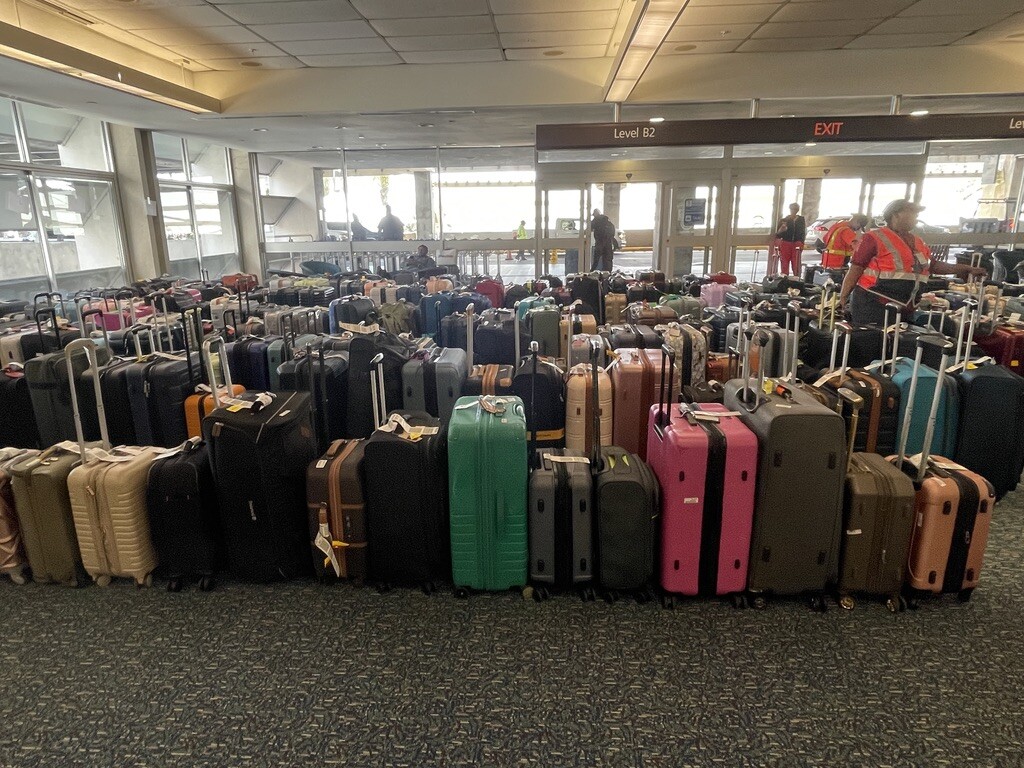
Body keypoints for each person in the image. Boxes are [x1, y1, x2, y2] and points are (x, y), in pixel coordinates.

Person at [840, 200, 986, 325]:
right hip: (873, 305)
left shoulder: (917, 241)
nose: (916, 218)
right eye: (913, 213)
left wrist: (966, 269)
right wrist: (843, 298)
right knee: (875, 346)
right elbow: (856, 269)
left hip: (906, 306)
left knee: (897, 349)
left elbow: (933, 266)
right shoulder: (874, 238)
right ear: (896, 214)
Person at [774, 203, 806, 276]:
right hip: (786, 242)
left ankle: (797, 278)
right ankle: (785, 278)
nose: (794, 211)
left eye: (795, 209)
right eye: (792, 209)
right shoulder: (784, 220)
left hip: (797, 243)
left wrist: (801, 242)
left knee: (796, 263)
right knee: (784, 262)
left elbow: (802, 232)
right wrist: (782, 229)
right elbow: (778, 234)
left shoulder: (801, 220)